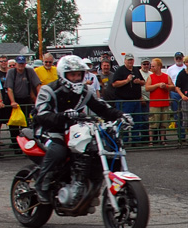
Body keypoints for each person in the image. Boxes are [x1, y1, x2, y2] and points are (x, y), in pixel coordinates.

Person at [33, 56, 127, 197]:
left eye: (79, 74)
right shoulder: (49, 90)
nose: (76, 78)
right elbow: (41, 115)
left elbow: (102, 108)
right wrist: (63, 116)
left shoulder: (86, 91)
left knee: (96, 147)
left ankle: (88, 180)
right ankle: (42, 184)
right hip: (49, 129)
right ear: (63, 74)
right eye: (72, 75)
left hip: (73, 129)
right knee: (58, 151)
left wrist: (121, 115)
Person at [5, 56, 40, 129]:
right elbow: (9, 88)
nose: (21, 65)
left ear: (25, 64)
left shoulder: (29, 71)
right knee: (14, 122)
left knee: (27, 122)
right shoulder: (11, 72)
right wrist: (13, 101)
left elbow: (37, 85)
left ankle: (26, 138)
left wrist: (39, 99)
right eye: (19, 63)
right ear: (16, 64)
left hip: (26, 99)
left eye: (22, 64)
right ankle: (14, 139)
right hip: (15, 100)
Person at [144, 58, 173, 145]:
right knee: (153, 123)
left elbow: (172, 86)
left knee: (164, 123)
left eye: (153, 66)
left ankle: (162, 139)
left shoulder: (166, 76)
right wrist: (157, 85)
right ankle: (151, 141)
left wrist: (166, 86)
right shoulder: (151, 77)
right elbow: (147, 88)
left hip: (164, 103)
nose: (151, 67)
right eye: (151, 66)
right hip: (154, 103)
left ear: (159, 67)